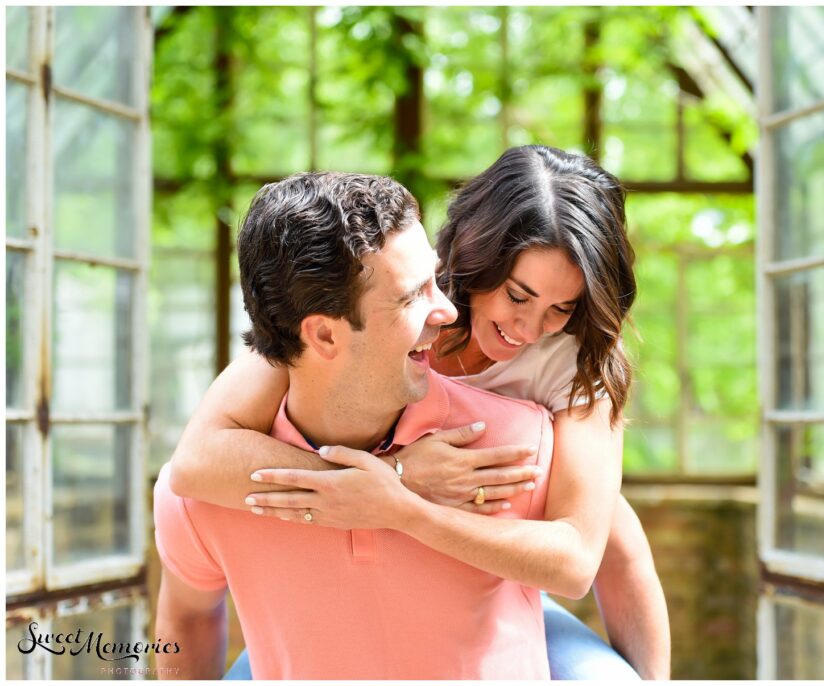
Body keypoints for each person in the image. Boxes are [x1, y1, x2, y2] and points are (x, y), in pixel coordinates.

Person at [170, 147, 671, 679]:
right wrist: (395, 476)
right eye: (517, 296)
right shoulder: (395, 302)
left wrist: (399, 501)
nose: (527, 330)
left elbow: (586, 554)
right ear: (479, 251)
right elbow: (197, 460)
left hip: (510, 573)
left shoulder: (572, 362)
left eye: (560, 308)